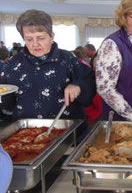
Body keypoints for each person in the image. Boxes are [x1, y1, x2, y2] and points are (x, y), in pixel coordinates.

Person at [0, 9, 96, 139]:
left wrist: (78, 86)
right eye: (29, 39)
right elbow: (5, 99)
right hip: (24, 136)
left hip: (69, 134)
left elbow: (90, 82)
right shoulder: (13, 64)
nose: (35, 44)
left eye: (41, 38)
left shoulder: (68, 59)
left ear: (52, 36)